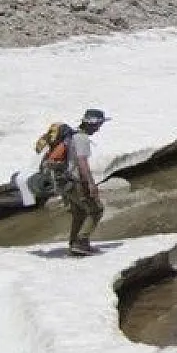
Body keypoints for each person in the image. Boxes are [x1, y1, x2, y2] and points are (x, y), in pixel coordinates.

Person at [52, 107, 109, 256]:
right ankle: (81, 242)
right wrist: (91, 184)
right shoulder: (82, 139)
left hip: (64, 180)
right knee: (96, 210)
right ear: (92, 124)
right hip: (76, 181)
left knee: (79, 212)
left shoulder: (72, 136)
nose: (98, 129)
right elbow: (82, 162)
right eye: (98, 125)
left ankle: (74, 243)